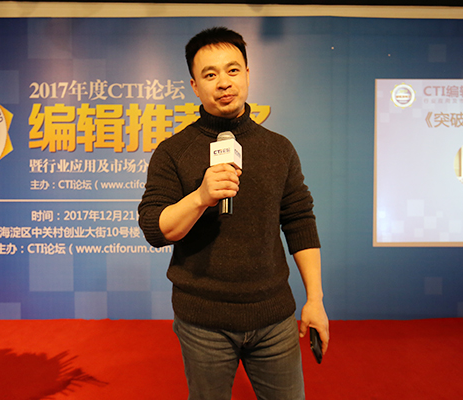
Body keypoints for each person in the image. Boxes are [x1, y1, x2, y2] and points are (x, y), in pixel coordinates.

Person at [138, 26, 329, 400]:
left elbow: (300, 221)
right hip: (203, 322)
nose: (223, 82)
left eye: (233, 70)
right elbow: (155, 229)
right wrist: (201, 197)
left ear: (247, 74)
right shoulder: (173, 151)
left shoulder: (279, 149)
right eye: (210, 74)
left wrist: (316, 299)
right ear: (195, 86)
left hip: (274, 316)